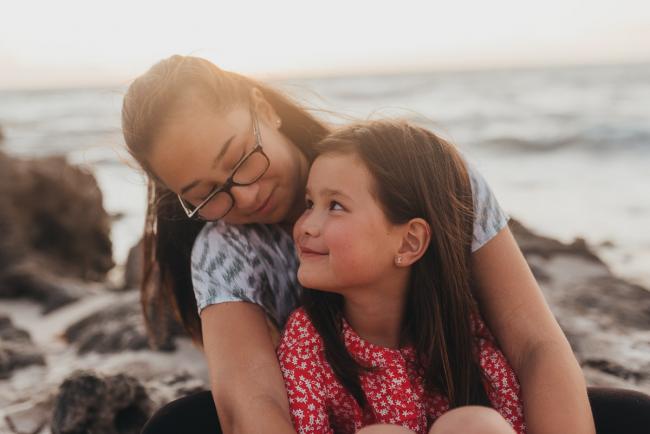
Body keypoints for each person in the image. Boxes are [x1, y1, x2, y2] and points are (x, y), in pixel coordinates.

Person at [121, 55, 648, 434]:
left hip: (465, 406)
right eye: (207, 193)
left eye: (240, 158)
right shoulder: (224, 252)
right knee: (179, 424)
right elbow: (254, 404)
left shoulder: (421, 175)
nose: (247, 192)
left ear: (263, 106)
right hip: (331, 421)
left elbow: (534, 341)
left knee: (632, 416)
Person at [279, 119, 524, 434]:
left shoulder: (465, 338)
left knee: (474, 424)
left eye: (336, 206)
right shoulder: (308, 340)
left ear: (409, 242)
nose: (307, 225)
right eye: (310, 204)